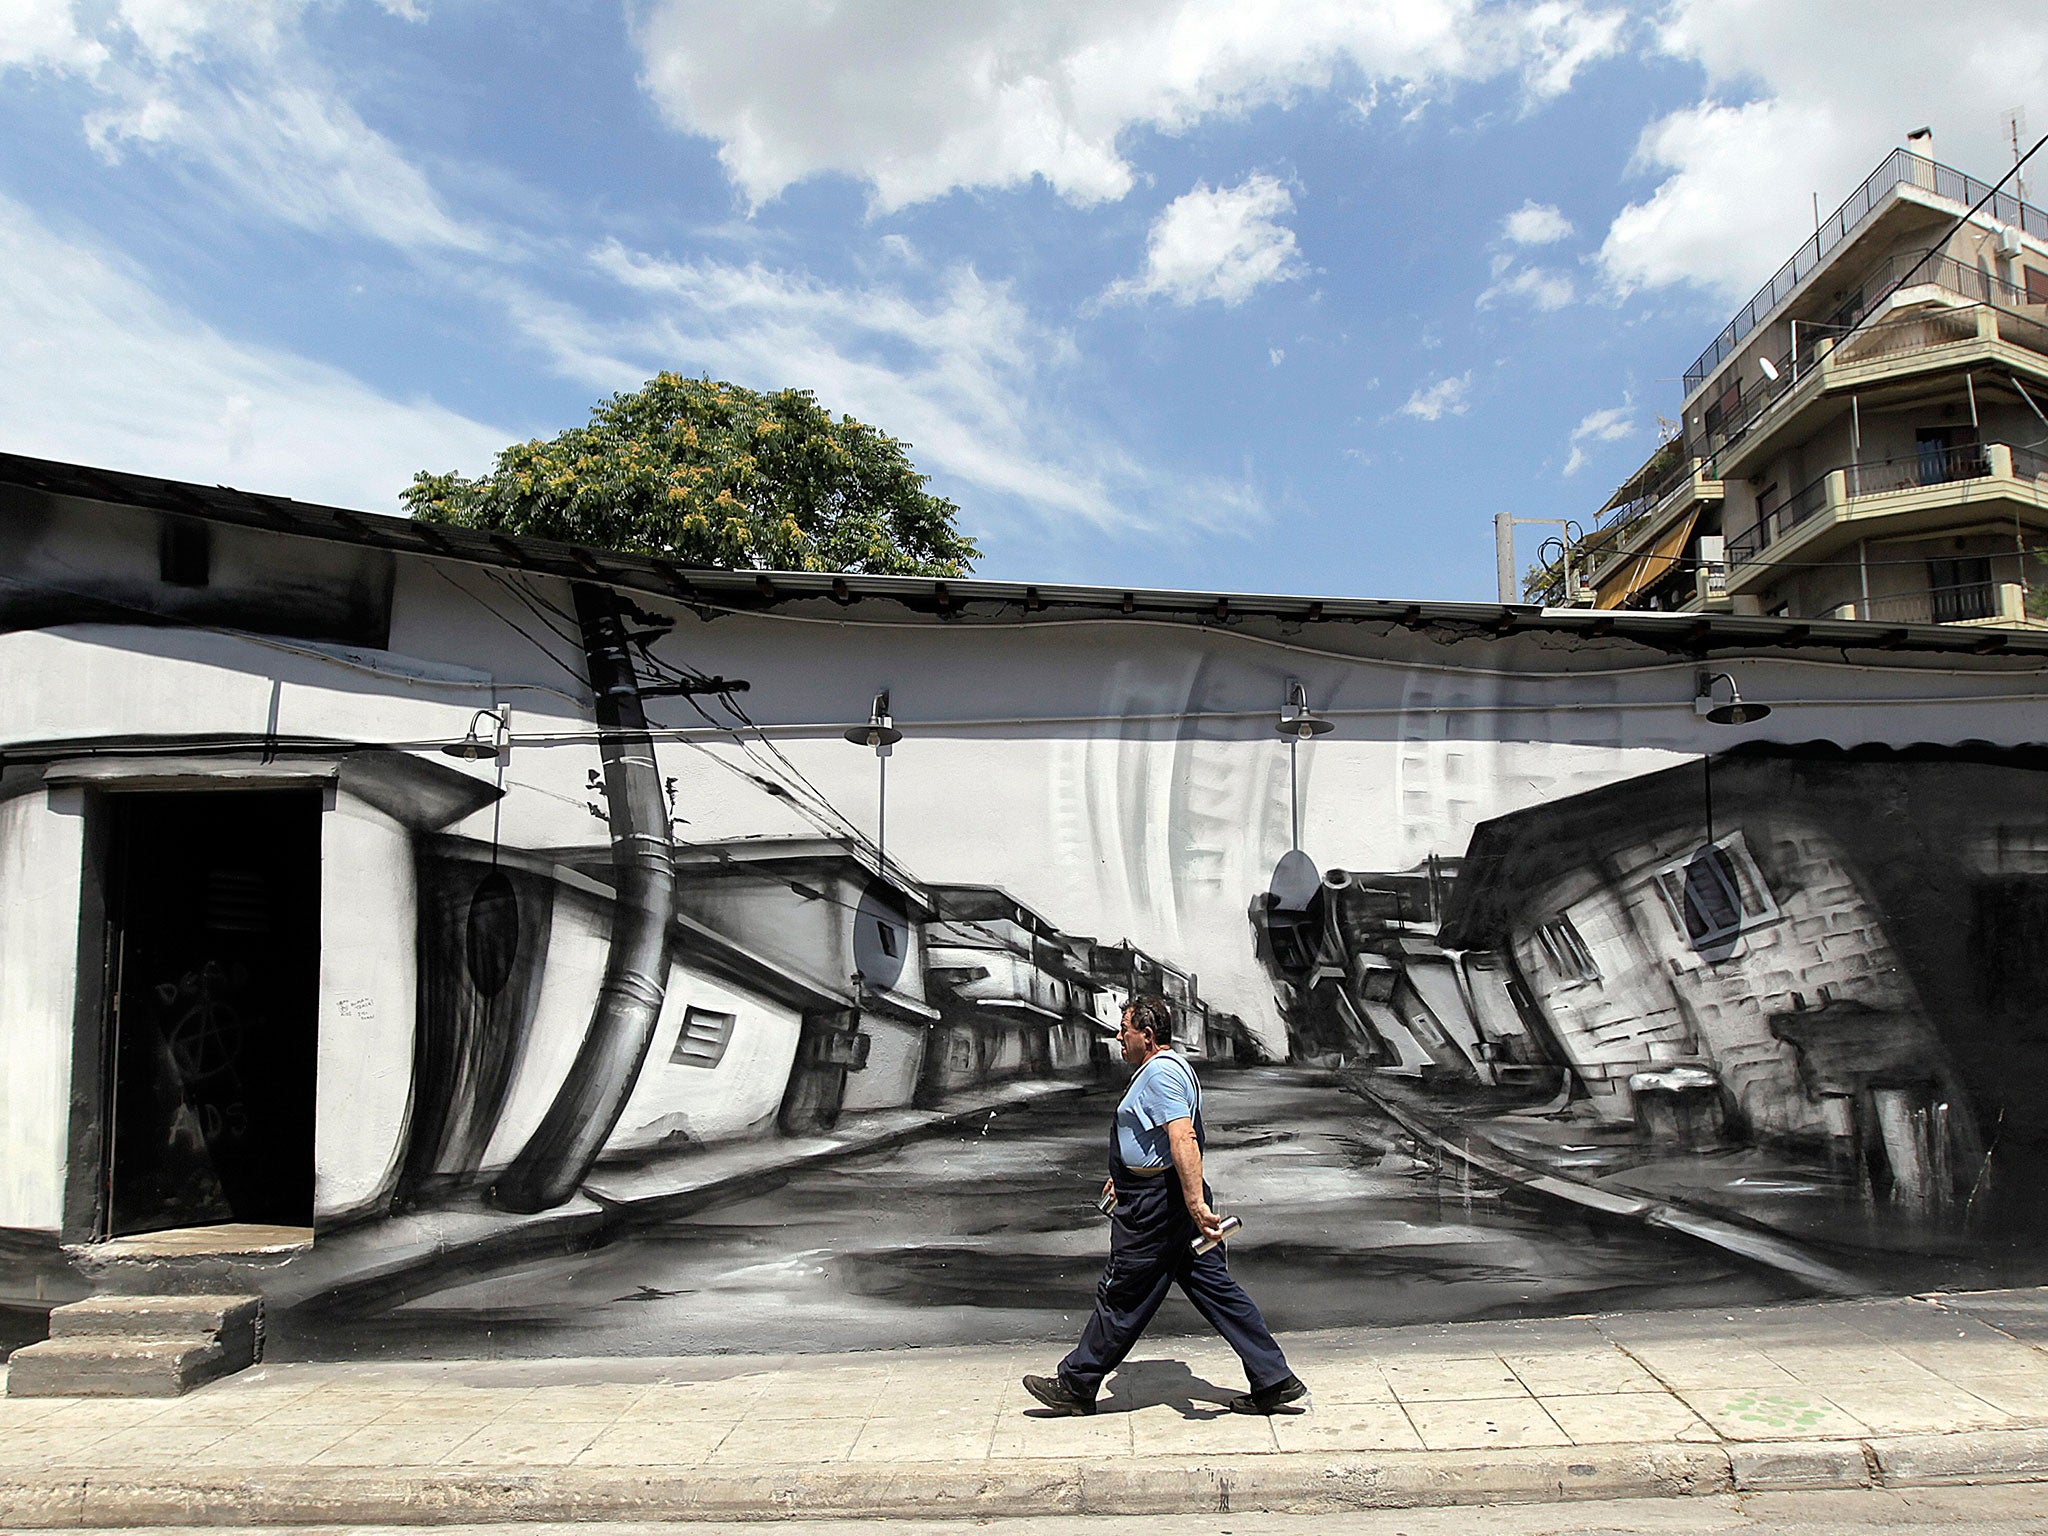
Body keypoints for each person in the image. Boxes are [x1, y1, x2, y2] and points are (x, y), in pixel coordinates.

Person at [1023, 995, 1306, 1416]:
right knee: (1217, 1290)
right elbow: (1154, 1140)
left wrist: (1195, 1206)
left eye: (1126, 1030)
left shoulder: (1160, 1075)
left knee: (1122, 1293)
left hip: (1156, 1209)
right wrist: (1123, 1176)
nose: (1119, 1036)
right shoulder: (1170, 1069)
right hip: (1161, 1197)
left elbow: (1182, 1138)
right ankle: (1274, 1380)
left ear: (1148, 1036)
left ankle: (1076, 1385)